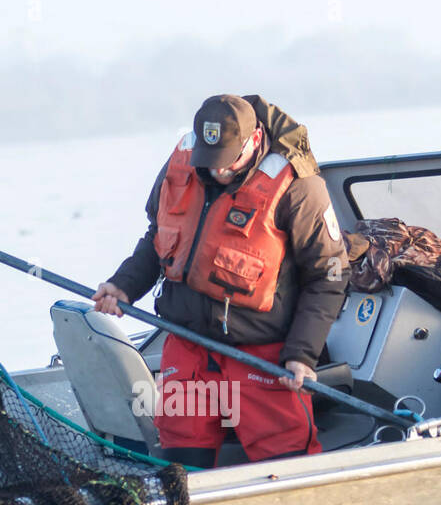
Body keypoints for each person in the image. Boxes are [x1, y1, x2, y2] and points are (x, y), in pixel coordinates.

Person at [92, 94, 348, 468]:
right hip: (187, 344)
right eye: (210, 162)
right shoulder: (181, 165)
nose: (218, 172)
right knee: (180, 465)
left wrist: (302, 355)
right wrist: (124, 285)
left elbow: (329, 274)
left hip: (260, 354)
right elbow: (158, 234)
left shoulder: (298, 186)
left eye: (229, 162)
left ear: (255, 141)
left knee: (288, 461)